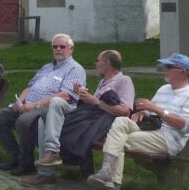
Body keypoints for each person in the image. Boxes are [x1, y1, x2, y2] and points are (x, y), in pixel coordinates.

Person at [87, 53, 189, 190]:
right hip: (150, 129)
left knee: (118, 139)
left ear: (183, 72)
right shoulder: (163, 89)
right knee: (121, 122)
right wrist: (143, 112)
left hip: (168, 138)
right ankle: (108, 176)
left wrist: (155, 108)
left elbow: (185, 125)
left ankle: (111, 180)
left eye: (169, 67)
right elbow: (151, 111)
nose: (164, 69)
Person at [22, 49, 135, 186]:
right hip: (88, 118)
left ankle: (52, 154)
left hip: (102, 124)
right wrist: (82, 94)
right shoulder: (104, 82)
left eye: (97, 61)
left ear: (107, 63)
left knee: (56, 104)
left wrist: (95, 101)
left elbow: (124, 111)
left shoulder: (124, 80)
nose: (96, 64)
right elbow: (96, 104)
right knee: (43, 120)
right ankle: (46, 171)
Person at [0, 33, 84, 175]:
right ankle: (16, 156)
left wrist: (34, 106)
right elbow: (30, 86)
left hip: (47, 109)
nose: (58, 49)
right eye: (55, 46)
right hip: (28, 105)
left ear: (71, 49)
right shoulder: (47, 67)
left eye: (62, 46)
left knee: (23, 121)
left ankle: (26, 163)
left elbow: (65, 95)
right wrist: (20, 101)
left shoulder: (75, 69)